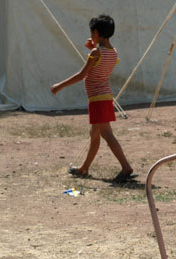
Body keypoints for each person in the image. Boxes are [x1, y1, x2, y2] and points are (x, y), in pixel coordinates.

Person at [51, 14, 134, 183]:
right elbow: (100, 63)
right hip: (104, 97)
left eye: (92, 32)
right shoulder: (112, 51)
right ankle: (84, 168)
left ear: (96, 32)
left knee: (106, 134)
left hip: (97, 98)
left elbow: (82, 74)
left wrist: (59, 85)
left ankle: (126, 167)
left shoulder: (97, 52)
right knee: (94, 135)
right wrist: (94, 48)